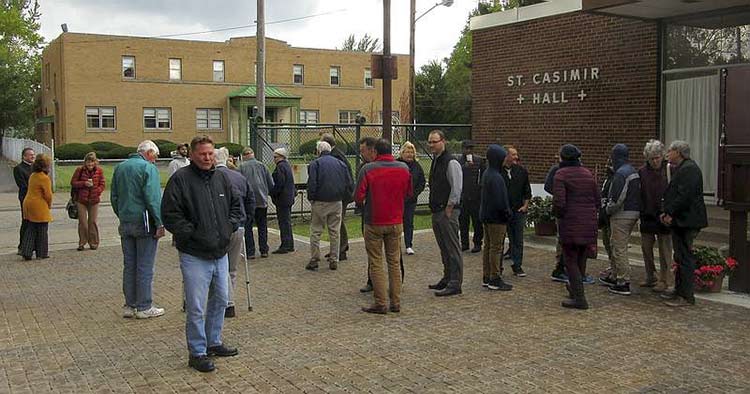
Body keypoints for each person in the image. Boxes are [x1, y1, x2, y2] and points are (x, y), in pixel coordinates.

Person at [162, 135, 243, 372]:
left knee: (220, 299)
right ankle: (197, 352)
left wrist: (228, 227)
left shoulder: (222, 178)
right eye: (202, 154)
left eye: (210, 154)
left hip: (220, 252)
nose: (207, 158)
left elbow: (236, 206)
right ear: (192, 154)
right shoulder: (180, 180)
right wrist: (193, 234)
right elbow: (170, 214)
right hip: (194, 254)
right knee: (196, 306)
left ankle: (213, 341)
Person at [355, 138, 412, 314]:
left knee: (376, 262)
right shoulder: (404, 168)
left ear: (376, 152)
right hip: (395, 220)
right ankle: (396, 301)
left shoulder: (368, 169)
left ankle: (380, 302)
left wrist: (367, 203)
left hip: (374, 221)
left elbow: (358, 195)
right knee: (394, 261)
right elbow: (408, 193)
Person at [110, 140, 166, 319]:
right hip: (145, 222)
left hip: (125, 220)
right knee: (145, 265)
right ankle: (144, 306)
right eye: (155, 156)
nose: (155, 160)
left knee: (129, 265)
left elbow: (114, 197)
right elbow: (153, 198)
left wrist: (122, 214)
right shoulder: (148, 169)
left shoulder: (120, 168)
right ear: (149, 153)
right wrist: (159, 223)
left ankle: (129, 304)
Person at [660, 140, 707, 307]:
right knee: (679, 256)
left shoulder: (689, 170)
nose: (668, 153)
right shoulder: (682, 168)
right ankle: (679, 290)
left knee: (685, 257)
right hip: (681, 220)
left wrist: (670, 212)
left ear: (678, 152)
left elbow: (684, 196)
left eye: (671, 150)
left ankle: (686, 295)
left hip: (687, 220)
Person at [552, 144, 600, 309]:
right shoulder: (588, 174)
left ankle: (579, 298)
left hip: (571, 223)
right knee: (581, 258)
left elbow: (559, 202)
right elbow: (597, 199)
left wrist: (559, 216)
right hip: (589, 223)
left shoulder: (561, 174)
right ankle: (575, 290)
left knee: (570, 260)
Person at [215, 147, 254, 318]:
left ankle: (227, 302)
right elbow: (250, 200)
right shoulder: (239, 176)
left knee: (220, 266)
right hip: (239, 226)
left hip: (220, 228)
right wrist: (245, 220)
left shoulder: (212, 178)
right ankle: (229, 301)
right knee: (232, 267)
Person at [427, 130, 464, 297]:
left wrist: (449, 207)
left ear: (443, 141)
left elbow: (456, 187)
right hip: (437, 210)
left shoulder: (451, 162)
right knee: (443, 247)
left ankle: (455, 282)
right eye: (430, 142)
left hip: (447, 211)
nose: (431, 145)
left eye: (434, 141)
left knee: (452, 248)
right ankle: (447, 277)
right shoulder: (436, 160)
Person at [601, 144, 641, 296]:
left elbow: (616, 198)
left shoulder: (620, 173)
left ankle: (622, 281)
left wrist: (606, 210)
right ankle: (617, 276)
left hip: (622, 214)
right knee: (617, 245)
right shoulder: (632, 171)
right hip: (633, 212)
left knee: (619, 247)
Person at [305, 141, 352, 271]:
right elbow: (347, 182)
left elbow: (312, 182)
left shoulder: (315, 164)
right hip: (337, 201)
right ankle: (334, 259)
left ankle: (314, 259)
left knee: (316, 231)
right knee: (335, 231)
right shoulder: (341, 163)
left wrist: (312, 198)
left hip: (320, 200)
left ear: (318, 151)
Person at [638, 140, 673, 293]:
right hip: (647, 214)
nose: (655, 161)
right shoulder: (642, 172)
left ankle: (665, 279)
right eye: (651, 158)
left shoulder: (669, 170)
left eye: (657, 157)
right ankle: (650, 275)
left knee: (665, 249)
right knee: (646, 248)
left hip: (664, 215)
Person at [480, 145, 513, 291]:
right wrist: (507, 213)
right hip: (496, 218)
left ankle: (487, 276)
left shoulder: (487, 173)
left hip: (487, 216)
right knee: (496, 248)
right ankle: (495, 277)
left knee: (488, 247)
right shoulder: (497, 177)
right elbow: (500, 201)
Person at [320, 133, 353, 261]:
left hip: (341, 195)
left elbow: (343, 177)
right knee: (335, 222)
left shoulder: (337, 156)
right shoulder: (337, 155)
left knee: (338, 223)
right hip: (340, 194)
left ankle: (341, 249)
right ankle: (336, 248)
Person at [239, 147, 274, 259]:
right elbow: (270, 183)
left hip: (247, 201)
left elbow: (238, 184)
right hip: (262, 200)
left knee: (248, 227)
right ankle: (264, 249)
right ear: (253, 154)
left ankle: (250, 252)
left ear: (243, 156)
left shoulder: (241, 167)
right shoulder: (262, 166)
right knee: (262, 225)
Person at [501, 145, 531, 277]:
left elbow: (527, 190)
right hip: (502, 212)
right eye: (513, 155)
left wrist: (525, 206)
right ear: (506, 156)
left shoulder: (521, 171)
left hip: (518, 210)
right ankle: (498, 268)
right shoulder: (498, 172)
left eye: (516, 154)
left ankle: (517, 265)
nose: (516, 157)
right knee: (500, 240)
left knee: (518, 239)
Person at [70, 152, 105, 251]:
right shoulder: (79, 170)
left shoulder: (99, 171)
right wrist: (84, 183)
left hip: (94, 200)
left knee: (92, 221)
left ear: (95, 162)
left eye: (92, 162)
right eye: (88, 162)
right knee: (82, 222)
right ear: (85, 162)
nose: (90, 165)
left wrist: (97, 190)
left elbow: (102, 184)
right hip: (81, 199)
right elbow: (73, 183)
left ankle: (93, 242)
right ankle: (82, 242)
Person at [21, 154, 53, 261]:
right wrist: (49, 205)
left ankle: (26, 251)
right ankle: (42, 253)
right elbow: (48, 195)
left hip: (28, 202)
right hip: (39, 205)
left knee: (31, 228)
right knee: (42, 229)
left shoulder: (33, 175)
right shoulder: (44, 178)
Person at [398, 142, 425, 255]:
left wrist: (414, 194)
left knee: (409, 222)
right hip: (398, 200)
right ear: (402, 153)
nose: (409, 154)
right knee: (397, 223)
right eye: (407, 152)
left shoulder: (417, 166)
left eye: (411, 152)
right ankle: (396, 244)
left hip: (411, 200)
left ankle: (409, 245)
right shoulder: (397, 164)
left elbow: (421, 182)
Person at [458, 140, 484, 253]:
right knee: (463, 222)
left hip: (476, 196)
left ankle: (477, 243)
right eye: (466, 148)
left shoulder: (479, 161)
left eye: (470, 148)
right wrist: (465, 167)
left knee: (477, 222)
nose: (468, 151)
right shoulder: (458, 161)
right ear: (463, 149)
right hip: (463, 195)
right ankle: (464, 243)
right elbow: (456, 174)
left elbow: (483, 175)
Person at [270, 147, 295, 254]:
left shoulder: (280, 167)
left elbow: (279, 183)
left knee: (284, 222)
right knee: (287, 222)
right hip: (288, 197)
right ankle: (289, 244)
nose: (274, 159)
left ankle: (285, 244)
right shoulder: (287, 166)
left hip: (282, 199)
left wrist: (272, 193)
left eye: (275, 157)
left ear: (281, 157)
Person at [13, 147, 34, 255]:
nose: (32, 157)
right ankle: (22, 246)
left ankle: (32, 245)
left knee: (35, 222)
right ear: (24, 156)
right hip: (25, 198)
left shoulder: (35, 168)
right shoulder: (18, 168)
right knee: (26, 221)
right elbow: (22, 185)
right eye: (30, 155)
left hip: (36, 199)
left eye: (33, 155)